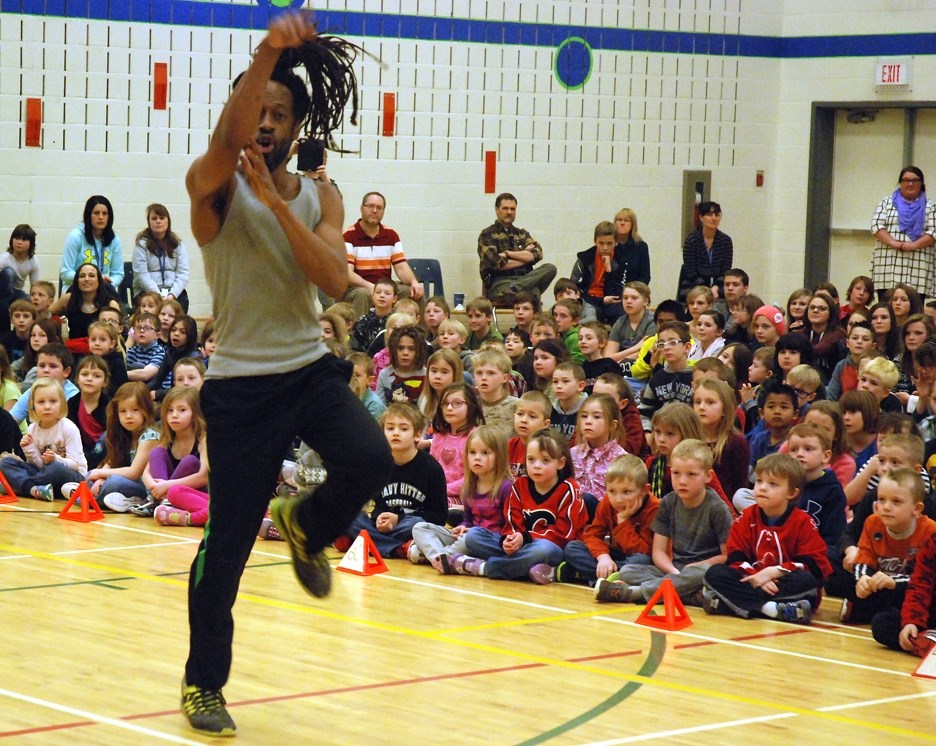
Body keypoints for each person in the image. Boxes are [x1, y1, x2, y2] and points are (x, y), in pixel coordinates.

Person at [178, 14, 392, 737]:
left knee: (368, 456)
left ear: (296, 128)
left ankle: (305, 523)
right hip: (239, 387)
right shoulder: (211, 183)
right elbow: (223, 142)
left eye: (279, 113)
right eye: (255, 110)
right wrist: (270, 48)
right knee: (228, 545)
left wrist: (278, 203)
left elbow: (335, 278)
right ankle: (203, 686)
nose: (265, 122)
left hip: (306, 368)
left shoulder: (319, 197)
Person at [595, 439, 733, 605]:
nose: (682, 481)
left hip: (702, 570)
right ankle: (691, 595)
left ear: (708, 476)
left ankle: (635, 593)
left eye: (691, 474)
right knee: (628, 571)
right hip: (673, 569)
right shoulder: (668, 503)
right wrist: (674, 573)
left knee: (703, 574)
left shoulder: (717, 508)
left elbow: (726, 556)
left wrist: (695, 567)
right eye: (676, 473)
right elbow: (658, 552)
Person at [702, 454, 830, 624]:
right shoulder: (746, 517)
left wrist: (773, 572)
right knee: (714, 573)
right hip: (752, 580)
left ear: (791, 493)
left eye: (772, 484)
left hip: (784, 583)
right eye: (759, 481)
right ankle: (771, 610)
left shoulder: (803, 521)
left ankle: (731, 604)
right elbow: (735, 556)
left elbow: (814, 565)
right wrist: (757, 578)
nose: (762, 488)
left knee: (806, 581)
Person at [454, 427, 587, 582]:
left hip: (554, 548)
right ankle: (532, 569)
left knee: (542, 549)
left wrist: (525, 538)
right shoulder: (519, 486)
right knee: (474, 535)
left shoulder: (570, 489)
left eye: (545, 460)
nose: (537, 465)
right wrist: (510, 540)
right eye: (531, 459)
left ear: (561, 463)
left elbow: (563, 534)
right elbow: (511, 523)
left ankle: (486, 568)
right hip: (522, 547)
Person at [341, 402, 447, 557]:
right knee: (351, 518)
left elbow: (439, 517)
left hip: (410, 526)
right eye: (390, 428)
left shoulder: (432, 468)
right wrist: (380, 519)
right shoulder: (379, 465)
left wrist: (399, 519)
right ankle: (399, 548)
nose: (395, 433)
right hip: (388, 529)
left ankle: (365, 542)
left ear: (417, 434)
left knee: (416, 526)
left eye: (403, 429)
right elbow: (379, 506)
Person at [839, 468, 936, 631]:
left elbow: (926, 583)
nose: (886, 507)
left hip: (916, 593)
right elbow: (864, 556)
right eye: (881, 500)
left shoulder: (930, 532)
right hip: (882, 587)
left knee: (882, 624)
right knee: (842, 579)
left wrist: (894, 582)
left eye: (896, 501)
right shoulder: (872, 523)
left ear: (917, 509)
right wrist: (862, 579)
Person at [411, 424, 512, 573]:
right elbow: (469, 520)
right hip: (468, 537)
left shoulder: (506, 488)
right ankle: (441, 557)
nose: (477, 457)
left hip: (488, 541)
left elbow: (509, 527)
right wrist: (463, 527)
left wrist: (472, 532)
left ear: (500, 456)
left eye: (485, 453)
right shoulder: (469, 487)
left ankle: (439, 556)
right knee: (420, 527)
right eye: (472, 452)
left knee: (472, 536)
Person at [559, 454, 658, 585]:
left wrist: (623, 521)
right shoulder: (607, 502)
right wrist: (603, 557)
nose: (618, 499)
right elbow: (592, 535)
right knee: (572, 547)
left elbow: (645, 551)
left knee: (642, 561)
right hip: (613, 556)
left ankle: (587, 576)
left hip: (635, 558)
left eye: (626, 492)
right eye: (612, 491)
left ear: (645, 490)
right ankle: (612, 578)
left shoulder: (654, 508)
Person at [0, 378, 86, 501]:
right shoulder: (32, 429)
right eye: (41, 402)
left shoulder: (69, 427)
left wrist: (55, 459)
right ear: (33, 406)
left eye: (53, 401)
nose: (47, 406)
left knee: (54, 468)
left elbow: (75, 464)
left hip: (73, 475)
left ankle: (23, 486)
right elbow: (37, 465)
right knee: (5, 462)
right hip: (43, 473)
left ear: (62, 403)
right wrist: (29, 448)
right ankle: (35, 489)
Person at [341, 191, 424, 317]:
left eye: (379, 208)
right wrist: (372, 287)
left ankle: (421, 334)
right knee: (362, 294)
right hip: (358, 288)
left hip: (384, 286)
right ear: (361, 208)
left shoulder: (391, 235)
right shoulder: (348, 235)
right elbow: (347, 274)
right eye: (370, 206)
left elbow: (401, 269)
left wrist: (414, 282)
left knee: (413, 291)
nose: (375, 210)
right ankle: (358, 335)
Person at [478, 192, 557, 306]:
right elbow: (495, 262)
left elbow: (538, 254)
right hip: (500, 282)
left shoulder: (522, 234)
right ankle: (512, 293)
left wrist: (507, 254)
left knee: (550, 268)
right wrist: (525, 257)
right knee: (534, 294)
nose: (509, 212)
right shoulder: (487, 234)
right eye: (505, 208)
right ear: (496, 210)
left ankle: (513, 291)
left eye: (512, 209)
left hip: (526, 280)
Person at [871, 165, 936, 299]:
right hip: (887, 269)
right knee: (886, 311)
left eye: (915, 180)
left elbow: (934, 232)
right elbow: (876, 226)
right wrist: (893, 242)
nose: (910, 183)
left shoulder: (931, 206)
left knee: (915, 314)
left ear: (921, 183)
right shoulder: (886, 203)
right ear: (900, 183)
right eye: (906, 180)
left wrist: (913, 245)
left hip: (918, 270)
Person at [60, 195, 123, 297]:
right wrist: (92, 279)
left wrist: (103, 283)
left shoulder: (114, 239)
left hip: (103, 289)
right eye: (96, 213)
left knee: (114, 307)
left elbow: (118, 274)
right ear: (88, 215)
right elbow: (65, 273)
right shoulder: (76, 236)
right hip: (76, 289)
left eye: (105, 213)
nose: (101, 217)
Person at [132, 203, 191, 311]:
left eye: (162, 218)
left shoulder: (177, 244)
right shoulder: (141, 244)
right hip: (147, 291)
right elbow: (141, 275)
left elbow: (183, 273)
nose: (158, 221)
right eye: (154, 218)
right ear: (149, 222)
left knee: (180, 306)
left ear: (168, 221)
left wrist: (172, 295)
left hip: (172, 293)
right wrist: (158, 296)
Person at [49, 263, 121, 349]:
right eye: (82, 276)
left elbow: (117, 333)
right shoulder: (68, 299)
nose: (86, 279)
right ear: (77, 280)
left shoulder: (111, 304)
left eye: (91, 276)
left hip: (101, 351)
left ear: (99, 280)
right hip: (74, 351)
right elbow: (47, 315)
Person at [569, 220, 626, 325]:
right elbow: (574, 287)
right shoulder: (585, 259)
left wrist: (609, 271)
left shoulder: (621, 260)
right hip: (588, 299)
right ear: (595, 241)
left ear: (616, 242)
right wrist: (600, 300)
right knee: (593, 314)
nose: (605, 247)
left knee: (621, 316)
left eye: (609, 244)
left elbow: (617, 291)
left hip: (611, 300)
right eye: (601, 243)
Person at [678, 201, 733, 303]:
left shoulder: (726, 241)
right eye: (709, 214)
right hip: (694, 283)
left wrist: (715, 287)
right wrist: (707, 289)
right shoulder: (691, 241)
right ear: (701, 217)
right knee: (698, 297)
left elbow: (726, 270)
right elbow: (691, 272)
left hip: (718, 285)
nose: (713, 218)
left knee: (731, 294)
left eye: (717, 214)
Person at [67, 354, 111, 470]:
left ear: (105, 382)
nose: (89, 379)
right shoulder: (71, 404)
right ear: (77, 378)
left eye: (96, 376)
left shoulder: (111, 406)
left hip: (104, 455)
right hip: (78, 455)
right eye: (84, 374)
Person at [0, 224, 40, 329]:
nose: (19, 242)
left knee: (31, 302)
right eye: (16, 238)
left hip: (17, 293)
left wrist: (34, 302)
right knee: (8, 272)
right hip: (3, 293)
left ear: (31, 244)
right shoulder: (4, 259)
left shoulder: (33, 261)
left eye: (24, 239)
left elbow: (35, 286)